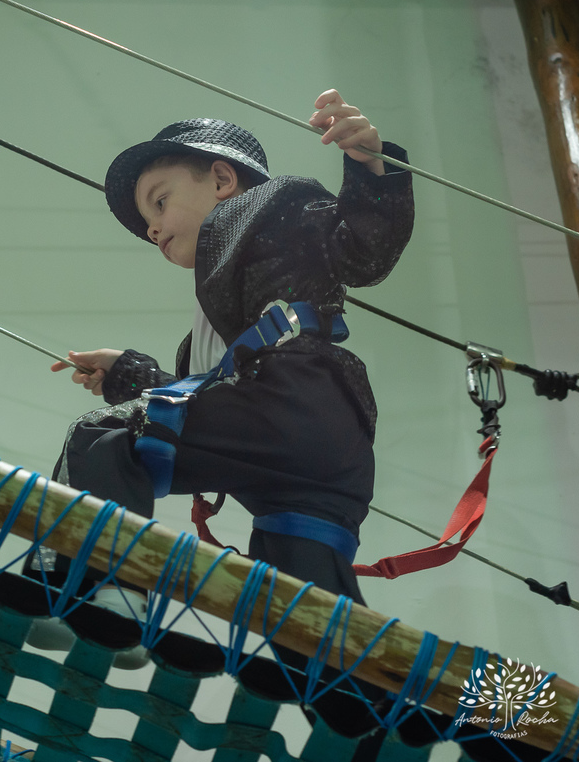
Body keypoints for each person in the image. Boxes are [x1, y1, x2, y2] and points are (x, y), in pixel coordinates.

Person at [24, 90, 415, 666]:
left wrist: (369, 168)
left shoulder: (278, 206)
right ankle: (363, 713)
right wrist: (128, 372)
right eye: (146, 224)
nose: (153, 229)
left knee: (103, 437)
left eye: (160, 203)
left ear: (223, 179)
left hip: (298, 405)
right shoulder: (212, 322)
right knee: (305, 611)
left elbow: (361, 252)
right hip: (315, 454)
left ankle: (96, 590)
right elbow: (204, 398)